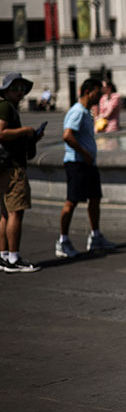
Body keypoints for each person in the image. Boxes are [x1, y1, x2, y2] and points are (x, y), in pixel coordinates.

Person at [57, 78, 116, 258]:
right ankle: (63, 241)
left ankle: (95, 236)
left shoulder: (85, 112)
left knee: (95, 198)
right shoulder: (77, 112)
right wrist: (84, 153)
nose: (99, 97)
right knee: (71, 201)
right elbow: (67, 135)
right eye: (97, 93)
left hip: (87, 163)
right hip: (77, 163)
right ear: (88, 91)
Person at [0, 72, 43, 273]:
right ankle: (14, 258)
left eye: (21, 88)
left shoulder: (8, 107)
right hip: (12, 167)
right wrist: (25, 131)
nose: (19, 92)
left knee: (4, 214)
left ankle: (3, 256)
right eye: (15, 88)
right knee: (15, 213)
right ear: (6, 90)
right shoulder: (6, 107)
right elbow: (0, 133)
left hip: (4, 167)